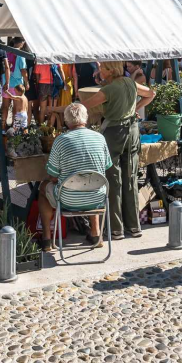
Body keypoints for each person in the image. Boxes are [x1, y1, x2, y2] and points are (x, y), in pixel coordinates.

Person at [78, 61, 153, 240]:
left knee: (112, 178)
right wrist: (135, 108)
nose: (99, 70)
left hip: (114, 132)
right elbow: (151, 94)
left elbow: (84, 106)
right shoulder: (130, 82)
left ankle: (116, 229)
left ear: (110, 70)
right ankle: (134, 226)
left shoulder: (109, 90)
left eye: (102, 68)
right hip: (132, 131)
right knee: (130, 178)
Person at [36, 102, 113, 251]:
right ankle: (96, 233)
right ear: (86, 118)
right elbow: (104, 168)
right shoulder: (100, 138)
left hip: (68, 200)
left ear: (66, 121)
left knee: (43, 188)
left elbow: (52, 176)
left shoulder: (60, 141)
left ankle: (46, 239)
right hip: (98, 198)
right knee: (92, 181)